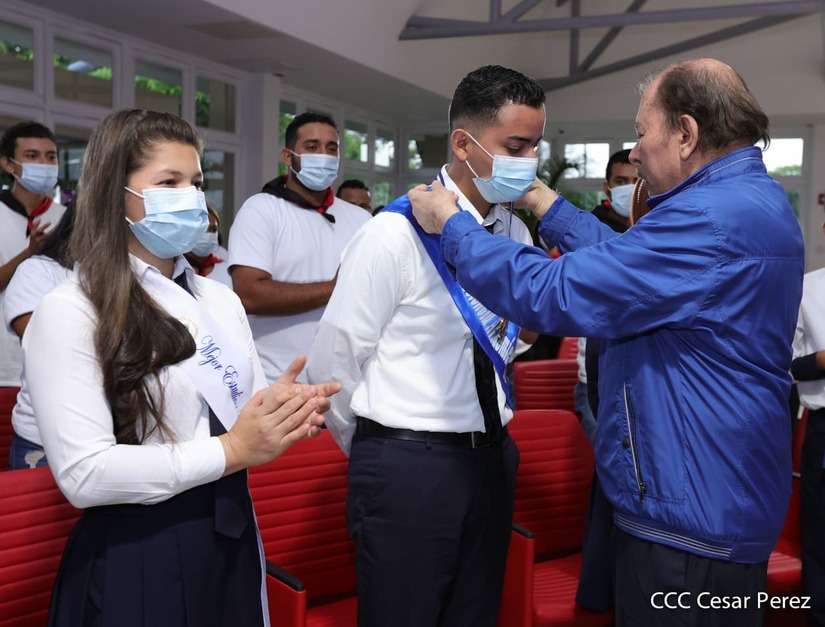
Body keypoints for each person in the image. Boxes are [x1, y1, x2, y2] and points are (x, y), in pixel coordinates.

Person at [409, 58, 804, 626]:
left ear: (686, 134)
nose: (635, 153)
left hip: (690, 519)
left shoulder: (709, 218)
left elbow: (551, 291)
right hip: (714, 495)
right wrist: (544, 204)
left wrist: (455, 227)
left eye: (642, 133)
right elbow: (629, 268)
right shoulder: (747, 200)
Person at [23, 108, 340, 627]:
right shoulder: (74, 308)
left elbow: (240, 419)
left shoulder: (219, 300)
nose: (190, 198)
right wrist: (232, 450)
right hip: (141, 547)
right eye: (169, 182)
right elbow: (85, 474)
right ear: (116, 193)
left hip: (231, 529)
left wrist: (282, 414)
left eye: (195, 182)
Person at [308, 64, 542, 627]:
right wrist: (380, 448)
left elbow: (506, 339)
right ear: (463, 144)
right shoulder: (392, 234)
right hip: (409, 466)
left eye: (536, 147)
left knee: (476, 614)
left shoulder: (514, 232)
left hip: (492, 458)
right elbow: (335, 359)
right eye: (515, 147)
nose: (529, 162)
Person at [229, 112, 370, 383]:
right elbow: (249, 294)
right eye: (312, 147)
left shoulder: (360, 219)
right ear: (288, 156)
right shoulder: (261, 210)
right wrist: (334, 288)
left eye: (332, 148)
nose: (324, 155)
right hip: (278, 381)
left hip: (346, 383)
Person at [0, 121, 66, 413]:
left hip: (56, 365)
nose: (44, 164)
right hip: (5, 367)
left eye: (51, 157)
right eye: (32, 156)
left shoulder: (68, 218)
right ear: (8, 164)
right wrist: (29, 253)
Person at [4, 203, 75, 469]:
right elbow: (50, 344)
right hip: (44, 440)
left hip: (114, 437)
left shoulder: (130, 272)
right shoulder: (38, 271)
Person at [791, 239, 825, 626]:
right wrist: (819, 361)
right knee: (819, 540)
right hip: (822, 429)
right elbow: (783, 364)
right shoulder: (807, 289)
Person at [184, 204, 231, 288]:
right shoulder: (175, 269)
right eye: (202, 229)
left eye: (213, 230)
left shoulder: (227, 270)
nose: (208, 235)